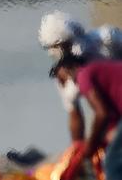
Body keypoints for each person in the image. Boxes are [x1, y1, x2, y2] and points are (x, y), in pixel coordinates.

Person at [50, 54, 122, 180]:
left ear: (69, 68)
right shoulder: (101, 69)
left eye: (62, 79)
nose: (66, 85)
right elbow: (112, 115)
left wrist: (90, 147)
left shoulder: (84, 75)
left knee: (113, 166)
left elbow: (102, 114)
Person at [39, 11, 122, 143]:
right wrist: (77, 151)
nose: (62, 49)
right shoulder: (64, 75)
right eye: (56, 46)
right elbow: (75, 113)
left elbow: (100, 113)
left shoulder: (106, 37)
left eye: (64, 44)